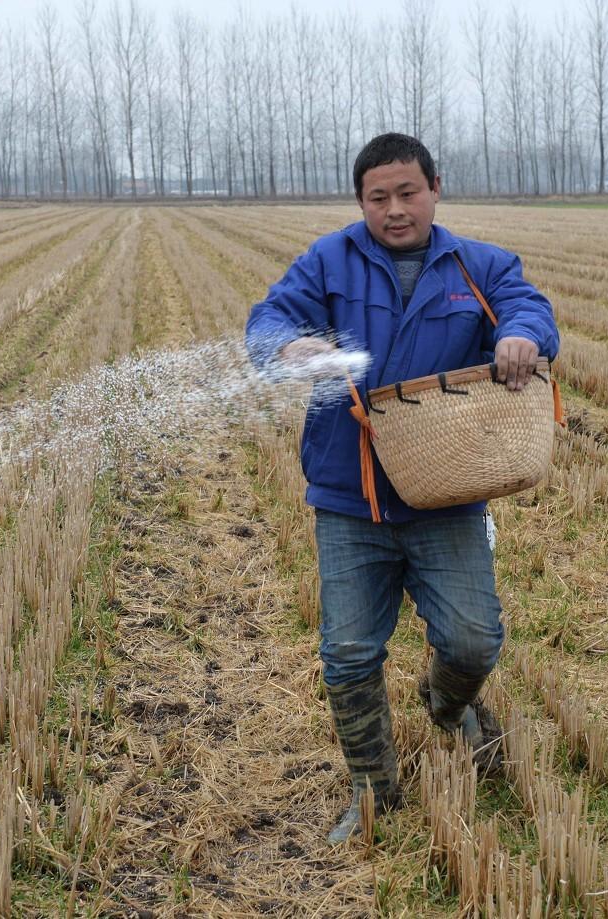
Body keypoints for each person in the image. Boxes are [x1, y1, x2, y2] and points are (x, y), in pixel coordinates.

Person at [244, 133, 560, 845]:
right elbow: (267, 320)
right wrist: (286, 347)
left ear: (435, 188)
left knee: (475, 640)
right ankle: (373, 791)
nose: (394, 209)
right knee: (350, 653)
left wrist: (521, 336)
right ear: (361, 202)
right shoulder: (329, 260)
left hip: (447, 492)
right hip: (349, 496)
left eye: (407, 192)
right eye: (378, 197)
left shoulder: (477, 265)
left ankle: (448, 705)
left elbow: (531, 309)